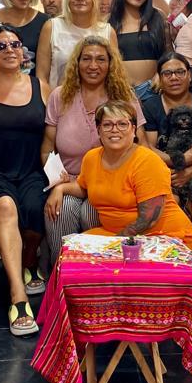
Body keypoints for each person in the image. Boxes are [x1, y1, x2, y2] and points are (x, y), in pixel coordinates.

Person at [0, 24, 51, 336]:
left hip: (31, 170)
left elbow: (52, 136)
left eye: (15, 44)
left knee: (34, 211)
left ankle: (29, 261)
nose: (10, 50)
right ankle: (18, 298)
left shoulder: (41, 86)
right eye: (1, 46)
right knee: (6, 207)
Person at [41, 36, 147, 265]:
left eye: (100, 59)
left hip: (111, 183)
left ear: (110, 64)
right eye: (86, 59)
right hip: (68, 181)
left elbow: (140, 145)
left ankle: (102, 273)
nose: (93, 65)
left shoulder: (124, 96)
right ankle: (62, 272)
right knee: (60, 209)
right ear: (77, 63)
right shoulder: (59, 95)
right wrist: (56, 183)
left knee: (91, 211)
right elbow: (47, 148)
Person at [46, 100, 192, 252]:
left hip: (162, 236)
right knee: (70, 252)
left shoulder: (147, 160)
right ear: (98, 130)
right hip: (115, 235)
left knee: (91, 260)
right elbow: (83, 187)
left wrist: (112, 246)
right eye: (107, 125)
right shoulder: (91, 157)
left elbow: (149, 218)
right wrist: (60, 189)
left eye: (122, 124)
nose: (115, 130)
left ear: (133, 130)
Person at [142, 52, 192, 261]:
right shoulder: (150, 106)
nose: (174, 77)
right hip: (161, 171)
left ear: (189, 75)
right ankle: (172, 262)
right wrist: (177, 162)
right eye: (167, 73)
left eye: (180, 72)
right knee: (168, 205)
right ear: (159, 77)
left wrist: (189, 172)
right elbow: (148, 148)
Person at [36, 0, 116, 87]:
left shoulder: (107, 31)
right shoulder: (52, 27)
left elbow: (114, 75)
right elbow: (41, 76)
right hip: (58, 96)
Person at [108, 0, 172, 101]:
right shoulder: (108, 21)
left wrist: (161, 74)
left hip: (154, 91)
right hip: (120, 94)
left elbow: (169, 54)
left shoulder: (157, 17)